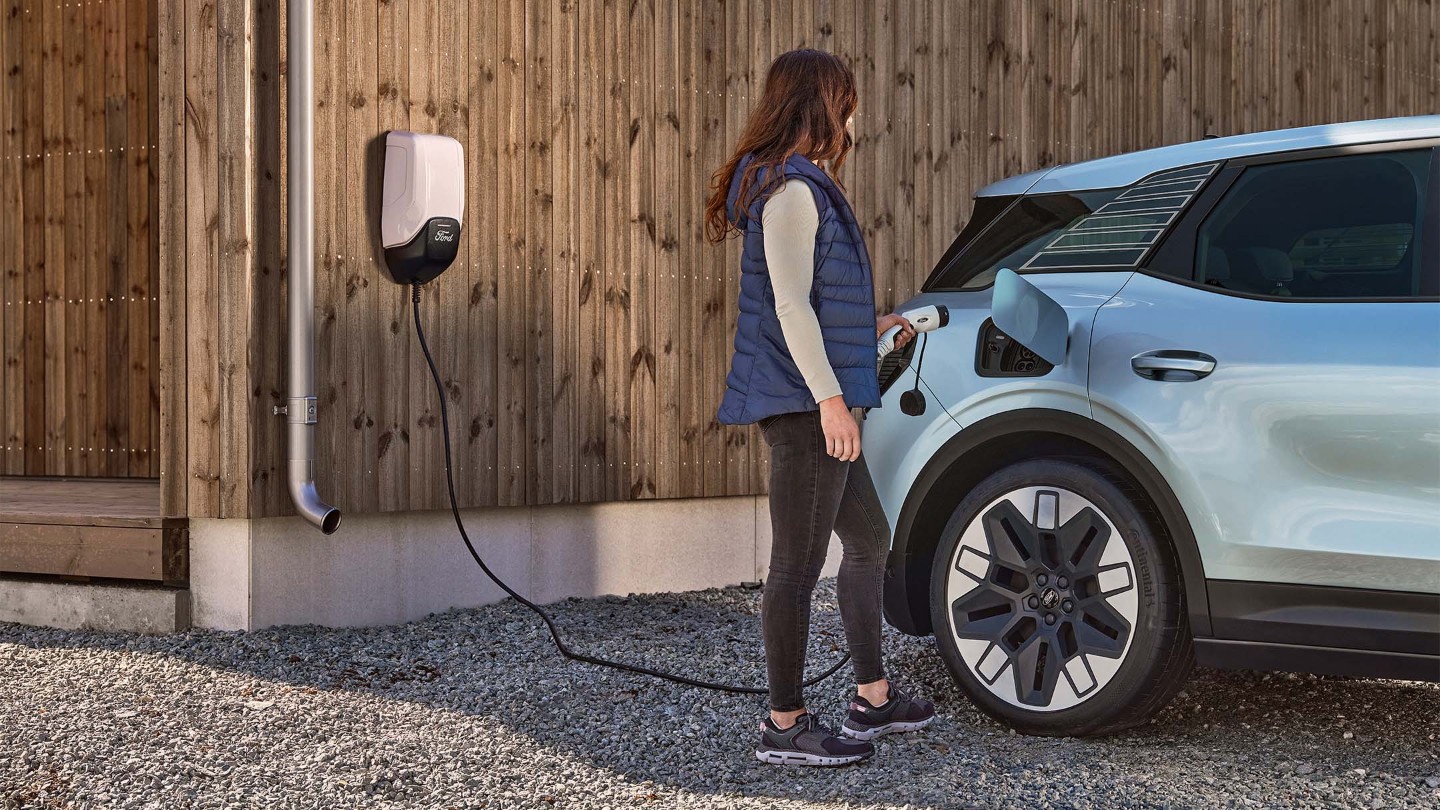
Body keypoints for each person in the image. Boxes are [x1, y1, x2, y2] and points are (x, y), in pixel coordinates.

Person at [704, 48, 937, 767]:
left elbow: (809, 308)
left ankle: (871, 695)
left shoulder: (803, 185)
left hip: (820, 401)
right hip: (808, 411)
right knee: (794, 570)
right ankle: (784, 725)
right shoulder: (790, 192)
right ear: (822, 105)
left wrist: (869, 329)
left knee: (868, 541)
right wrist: (833, 402)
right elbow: (788, 306)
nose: (854, 115)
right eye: (848, 101)